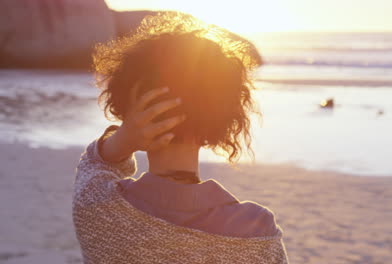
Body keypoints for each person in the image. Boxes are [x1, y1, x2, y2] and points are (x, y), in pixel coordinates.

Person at [72, 11, 289, 263]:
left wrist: (125, 138)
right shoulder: (255, 232)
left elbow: (95, 164)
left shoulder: (97, 207)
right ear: (222, 116)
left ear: (126, 106)